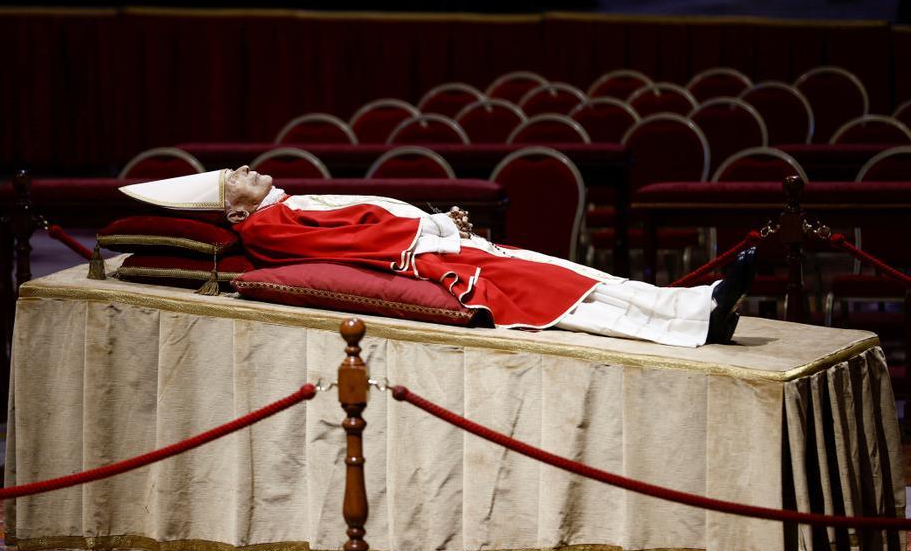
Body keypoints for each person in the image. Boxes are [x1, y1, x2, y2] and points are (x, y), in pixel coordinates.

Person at [121, 166, 757, 348]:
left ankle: (695, 307)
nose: (248, 170)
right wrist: (425, 237)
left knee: (570, 274)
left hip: (430, 241)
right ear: (232, 211)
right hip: (426, 260)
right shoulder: (268, 227)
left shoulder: (280, 202)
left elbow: (365, 209)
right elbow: (344, 242)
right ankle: (691, 321)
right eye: (236, 177)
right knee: (561, 296)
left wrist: (427, 221)